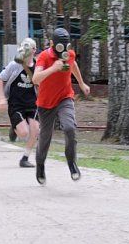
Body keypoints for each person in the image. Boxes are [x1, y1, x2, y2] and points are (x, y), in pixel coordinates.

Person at [32, 27, 90, 185]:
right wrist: (53, 68)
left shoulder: (69, 54)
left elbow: (73, 65)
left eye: (65, 46)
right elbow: (36, 79)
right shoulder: (44, 56)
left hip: (65, 98)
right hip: (46, 102)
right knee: (45, 137)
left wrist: (81, 83)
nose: (63, 50)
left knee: (69, 128)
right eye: (59, 47)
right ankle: (40, 164)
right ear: (52, 44)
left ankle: (71, 162)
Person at [0, 38, 39, 168]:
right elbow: (0, 79)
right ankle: (15, 128)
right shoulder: (14, 65)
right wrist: (2, 98)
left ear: (34, 50)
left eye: (29, 48)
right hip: (16, 104)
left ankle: (25, 158)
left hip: (33, 103)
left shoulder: (38, 66)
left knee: (35, 130)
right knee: (24, 133)